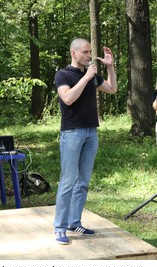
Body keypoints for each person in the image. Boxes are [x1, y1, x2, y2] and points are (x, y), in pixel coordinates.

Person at [54, 38, 117, 245]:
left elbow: (111, 89)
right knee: (68, 181)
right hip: (72, 133)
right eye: (85, 52)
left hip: (91, 132)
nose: (89, 56)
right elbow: (68, 98)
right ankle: (60, 228)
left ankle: (74, 222)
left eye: (90, 52)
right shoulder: (63, 74)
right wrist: (87, 77)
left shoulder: (92, 75)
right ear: (74, 53)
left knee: (83, 182)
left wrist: (110, 68)